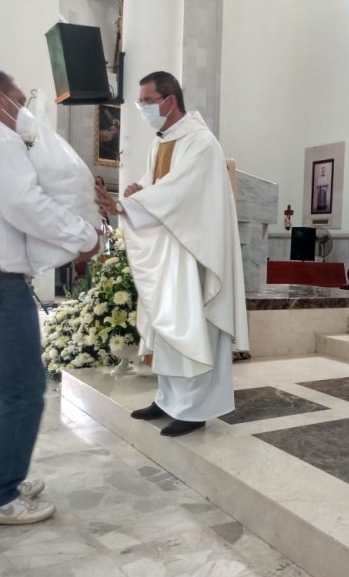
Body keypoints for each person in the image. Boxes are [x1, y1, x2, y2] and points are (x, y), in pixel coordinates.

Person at [0, 68, 101, 524]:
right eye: (15, 98)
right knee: (23, 390)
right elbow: (24, 204)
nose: (22, 109)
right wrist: (83, 235)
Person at [95, 71, 248, 437]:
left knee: (190, 327)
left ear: (169, 100)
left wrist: (126, 204)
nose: (143, 108)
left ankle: (195, 409)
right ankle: (167, 399)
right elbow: (156, 186)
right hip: (169, 249)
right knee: (167, 326)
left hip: (193, 252)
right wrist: (136, 193)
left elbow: (180, 193)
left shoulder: (201, 143)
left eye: (147, 101)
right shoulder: (161, 140)